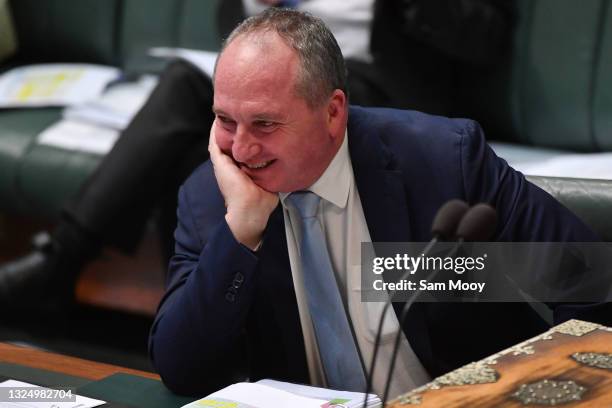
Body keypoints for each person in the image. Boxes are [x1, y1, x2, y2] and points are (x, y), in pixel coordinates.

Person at [148, 8, 603, 400]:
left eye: (264, 124)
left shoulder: (442, 163)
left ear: (332, 112)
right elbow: (182, 369)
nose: (241, 149)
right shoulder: (212, 199)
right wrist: (242, 231)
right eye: (226, 121)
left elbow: (588, 285)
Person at [0, 0, 513, 308]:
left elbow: (488, 37)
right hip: (274, 80)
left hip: (378, 87)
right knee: (188, 101)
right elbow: (233, 28)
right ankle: (67, 259)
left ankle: (213, 316)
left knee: (228, 137)